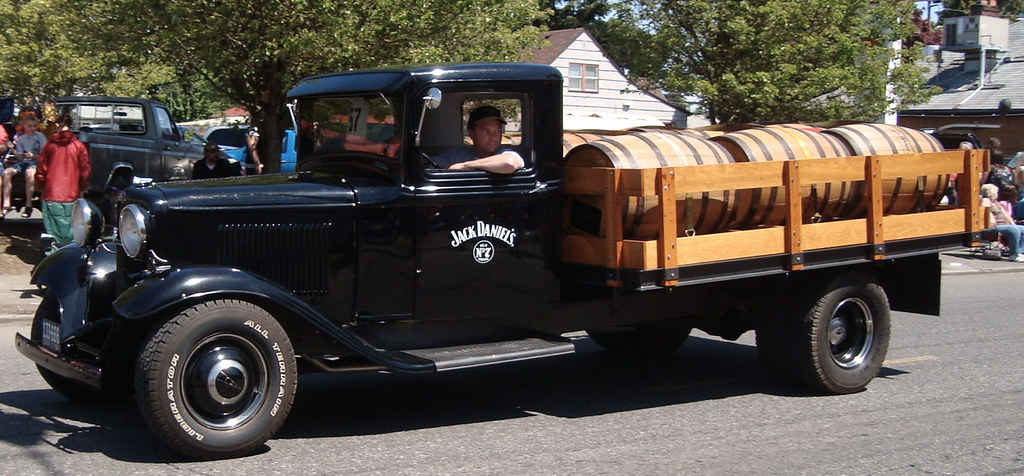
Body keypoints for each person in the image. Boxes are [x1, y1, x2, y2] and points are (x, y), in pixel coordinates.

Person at [34, 113, 90, 253]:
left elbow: (41, 169)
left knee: (52, 232)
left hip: (51, 192)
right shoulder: (78, 146)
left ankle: (52, 260)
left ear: (58, 125)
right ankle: (69, 259)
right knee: (71, 230)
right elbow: (85, 170)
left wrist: (40, 185)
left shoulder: (49, 145)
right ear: (70, 126)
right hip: (72, 193)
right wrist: (82, 187)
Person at [433, 105, 524, 174]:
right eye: (486, 131)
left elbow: (509, 163)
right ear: (471, 133)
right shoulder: (457, 154)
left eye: (497, 131)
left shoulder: (504, 153)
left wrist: (465, 166)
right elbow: (431, 166)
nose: (493, 137)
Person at [3, 115, 45, 218]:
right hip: (24, 162)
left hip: (36, 162)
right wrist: (13, 149)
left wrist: (33, 155)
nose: (32, 128)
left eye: (34, 126)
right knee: (6, 173)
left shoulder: (40, 137)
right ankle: (6, 203)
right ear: (25, 126)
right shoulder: (21, 139)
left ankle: (28, 205)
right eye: (29, 126)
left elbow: (45, 155)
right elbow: (20, 158)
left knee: (29, 173)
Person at [981, 183, 1024, 262]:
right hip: (993, 226)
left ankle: (1020, 252)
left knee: (1022, 229)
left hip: (1004, 225)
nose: (997, 194)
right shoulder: (986, 200)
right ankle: (1013, 254)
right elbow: (985, 212)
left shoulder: (996, 202)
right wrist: (992, 219)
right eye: (996, 192)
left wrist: (1012, 223)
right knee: (1013, 230)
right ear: (991, 192)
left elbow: (1006, 215)